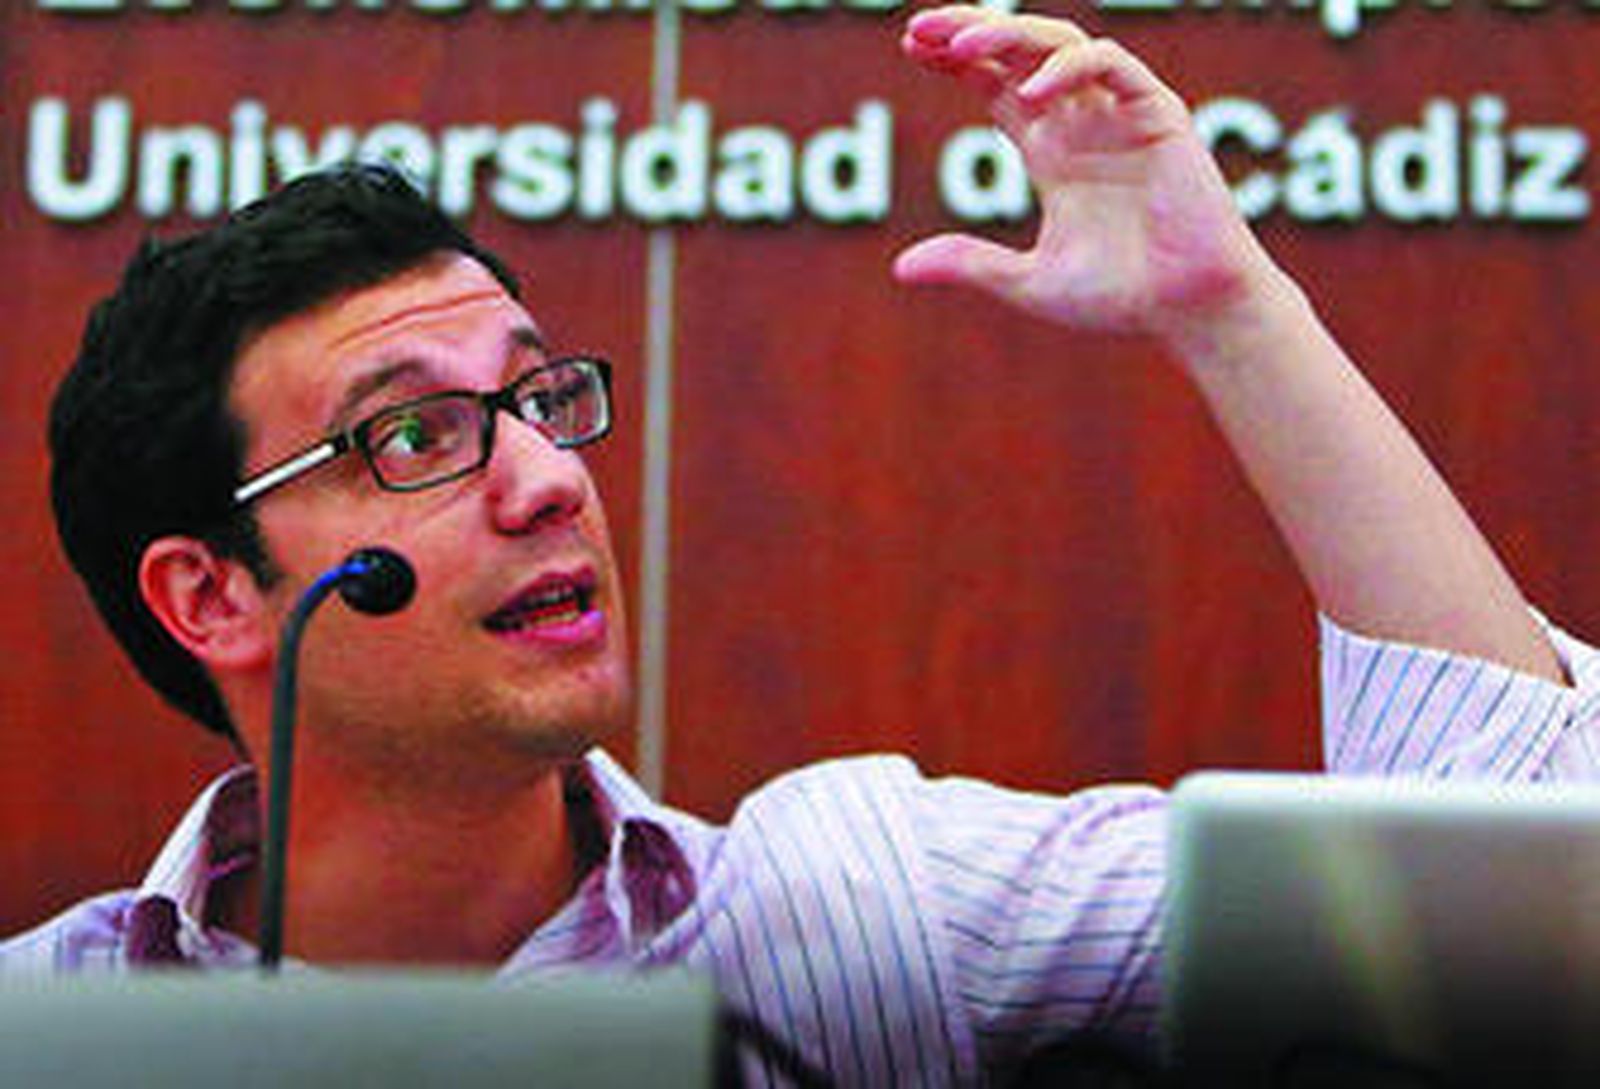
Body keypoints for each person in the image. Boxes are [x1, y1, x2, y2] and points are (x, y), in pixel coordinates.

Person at [4, 5, 1594, 1085]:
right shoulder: (46, 1028)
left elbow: (1526, 907)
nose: (552, 480)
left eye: (542, 398)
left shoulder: (859, 910)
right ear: (211, 592)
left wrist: (1231, 314)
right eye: (414, 435)